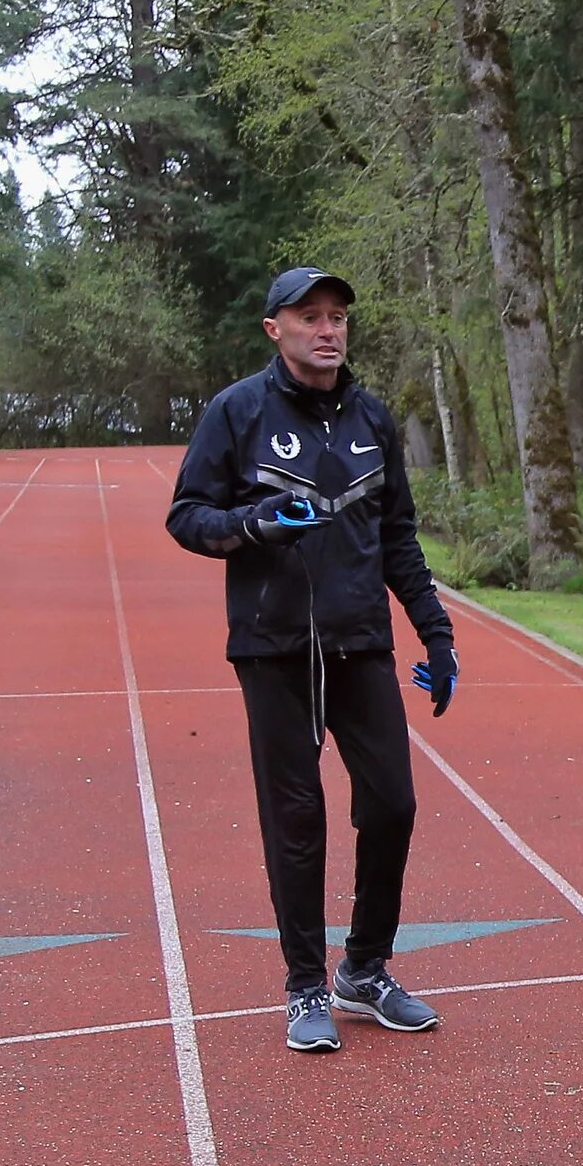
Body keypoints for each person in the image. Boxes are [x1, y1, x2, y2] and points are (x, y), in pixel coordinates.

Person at [166, 266, 460, 1054]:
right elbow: (187, 517)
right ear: (276, 328)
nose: (328, 330)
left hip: (361, 640)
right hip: (274, 647)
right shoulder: (237, 412)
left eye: (337, 318)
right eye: (310, 317)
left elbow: (397, 535)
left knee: (392, 803)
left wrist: (436, 633)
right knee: (297, 822)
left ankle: (364, 969)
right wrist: (257, 524)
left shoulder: (372, 418)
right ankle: (304, 986)